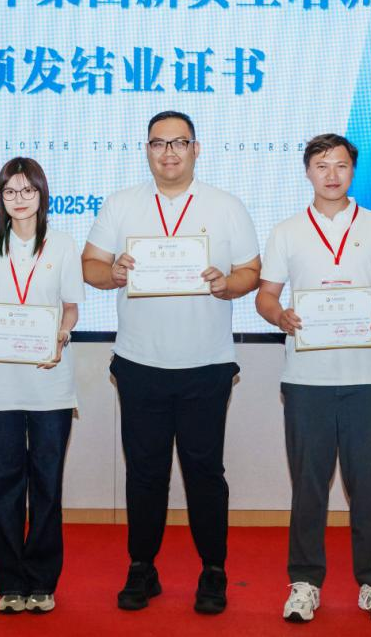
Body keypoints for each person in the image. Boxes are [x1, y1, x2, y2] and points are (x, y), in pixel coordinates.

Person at [82, 110, 261, 614]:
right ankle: (142, 567)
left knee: (205, 473)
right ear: (147, 150)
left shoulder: (226, 206)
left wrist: (228, 283)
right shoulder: (122, 204)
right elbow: (90, 266)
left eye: (179, 142)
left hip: (207, 365)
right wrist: (114, 273)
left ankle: (214, 570)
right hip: (140, 363)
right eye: (159, 143)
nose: (169, 152)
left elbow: (251, 271)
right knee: (144, 473)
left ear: (195, 149)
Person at [255, 134, 371, 626]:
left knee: (368, 487)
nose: (331, 174)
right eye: (321, 165)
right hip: (307, 380)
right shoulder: (287, 231)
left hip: (367, 379)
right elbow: (265, 296)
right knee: (309, 486)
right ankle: (304, 582)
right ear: (308, 172)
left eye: (340, 165)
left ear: (352, 171)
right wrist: (280, 315)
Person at [0, 158, 82, 615]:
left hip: (51, 381)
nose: (19, 199)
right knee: (3, 486)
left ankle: (43, 581)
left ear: (41, 195)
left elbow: (70, 307)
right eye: (10, 191)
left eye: (27, 190)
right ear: (1, 198)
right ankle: (10, 582)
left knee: (47, 485)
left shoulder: (63, 245)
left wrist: (61, 334)